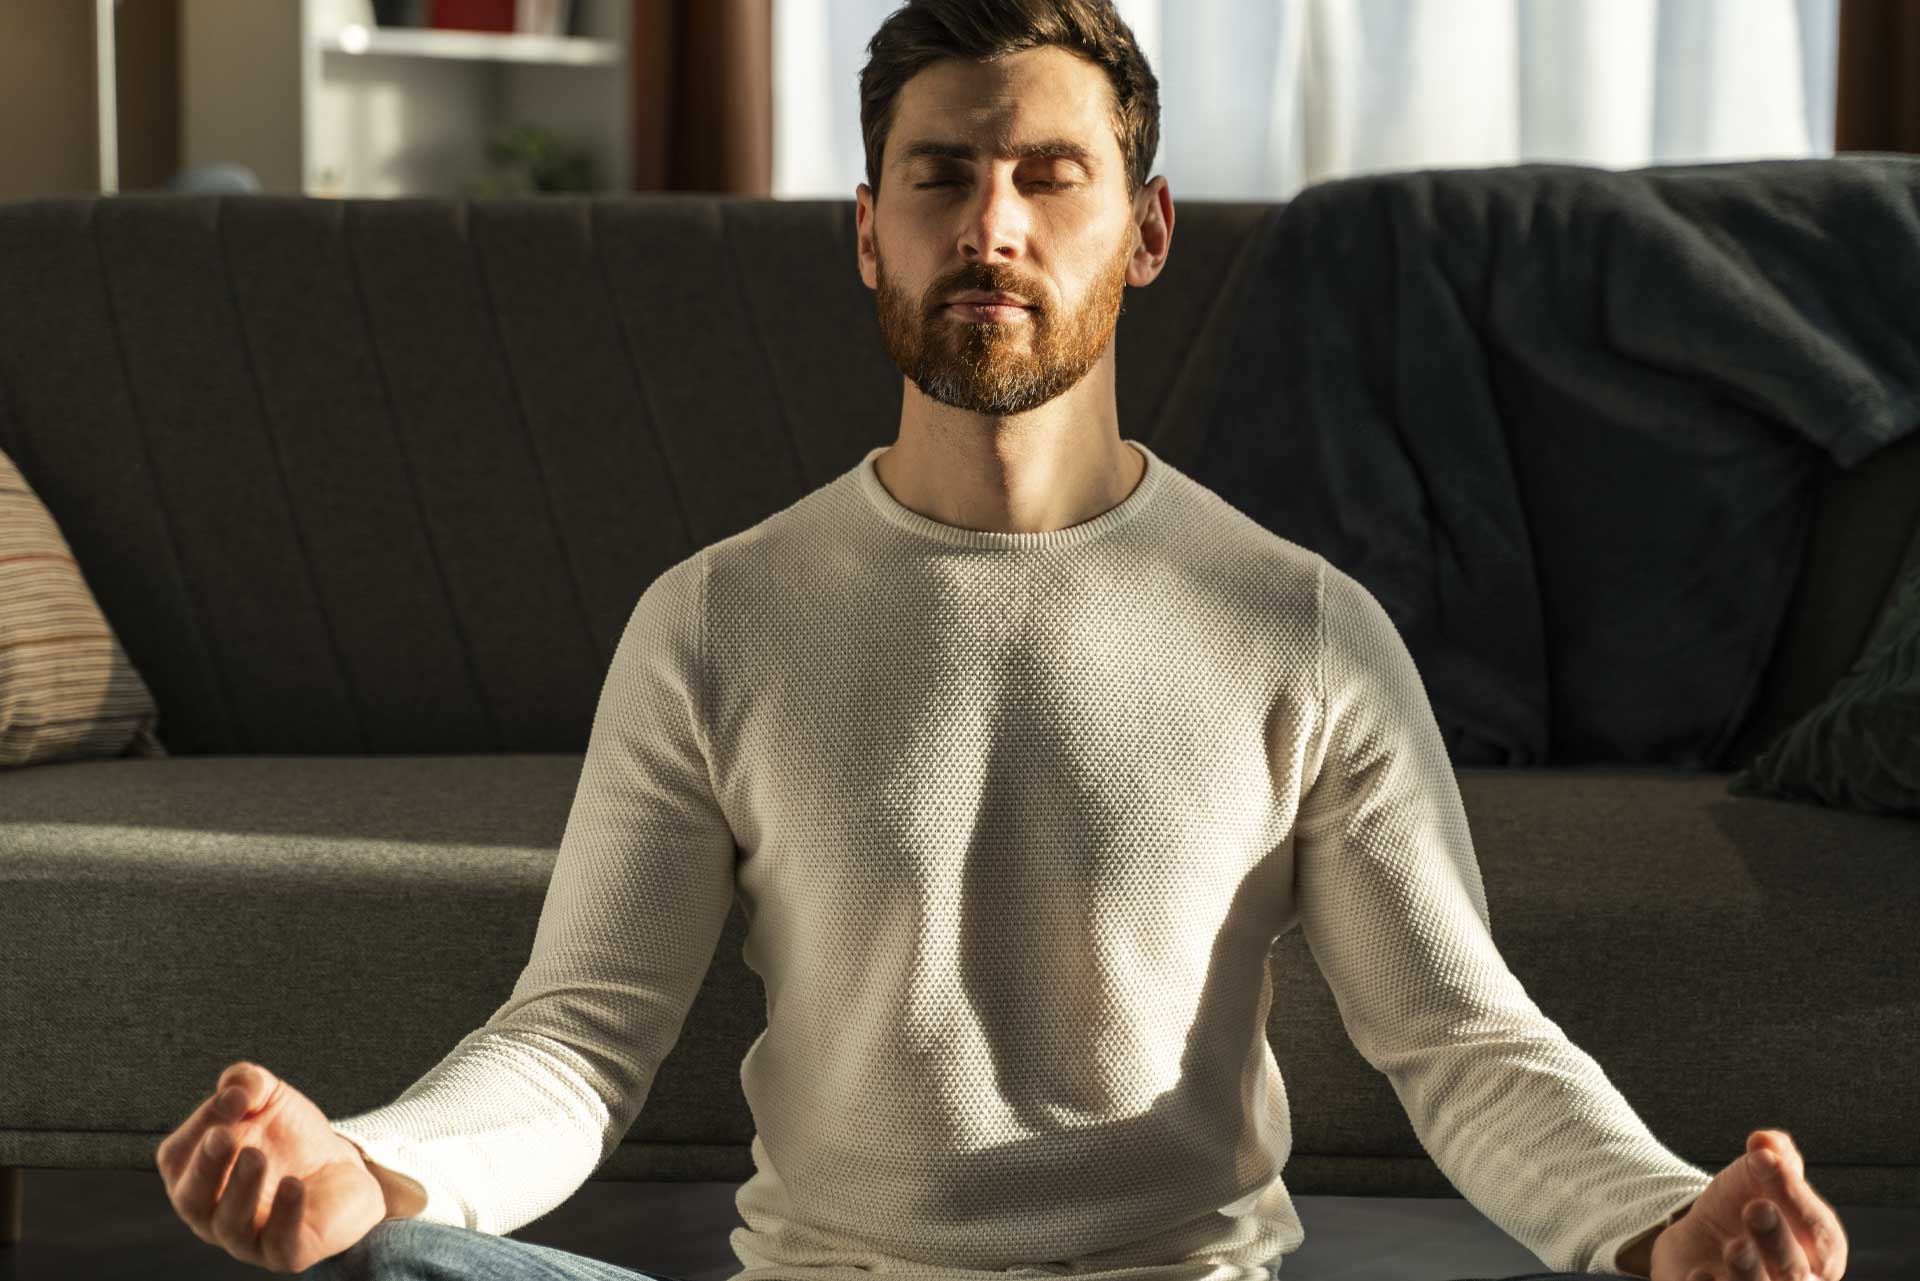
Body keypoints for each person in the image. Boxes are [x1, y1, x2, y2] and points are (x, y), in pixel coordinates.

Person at [156, 2, 1853, 1280]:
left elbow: (1462, 1039)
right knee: (378, 1258)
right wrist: (364, 1166)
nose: (993, 226)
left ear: (1150, 227)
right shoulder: (716, 617)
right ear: (866, 228)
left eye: (1052, 174)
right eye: (941, 175)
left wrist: (1659, 1220)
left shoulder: (1303, 627)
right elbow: (574, 1038)